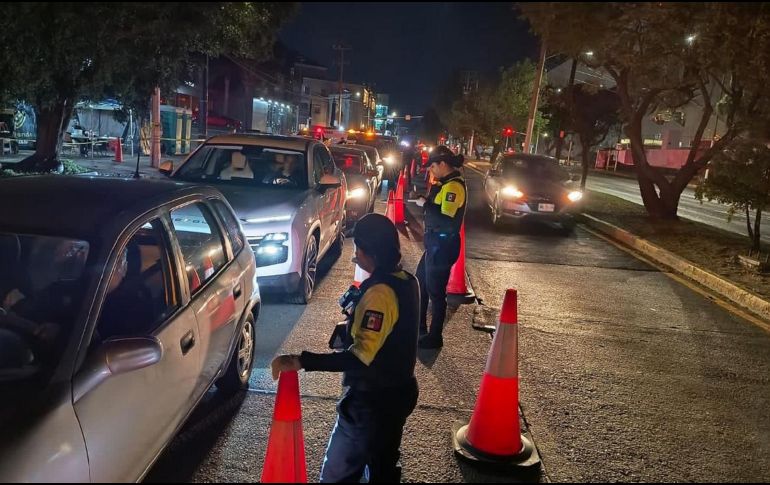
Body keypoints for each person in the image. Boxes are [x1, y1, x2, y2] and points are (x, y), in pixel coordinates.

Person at [271, 213, 420, 483]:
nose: (356, 255)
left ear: (368, 251)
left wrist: (303, 361)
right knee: (381, 465)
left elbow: (360, 357)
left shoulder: (380, 293)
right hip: (397, 393)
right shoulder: (407, 281)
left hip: (372, 403)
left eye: (358, 249)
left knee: (338, 474)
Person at [413, 146, 466, 349]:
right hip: (435, 245)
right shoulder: (445, 184)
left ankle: (435, 337)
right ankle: (420, 330)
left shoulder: (453, 187)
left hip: (442, 246)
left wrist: (425, 204)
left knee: (436, 293)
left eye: (433, 166)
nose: (431, 171)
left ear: (443, 164)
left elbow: (446, 218)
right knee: (421, 285)